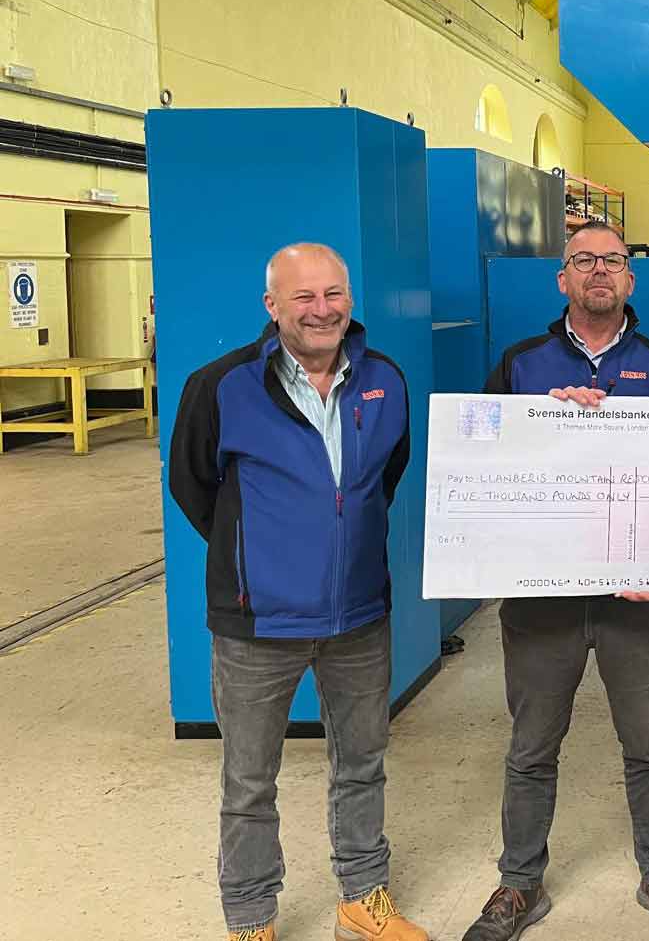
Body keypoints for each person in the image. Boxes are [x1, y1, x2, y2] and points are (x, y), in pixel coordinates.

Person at [461, 221, 649, 941]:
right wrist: (546, 425)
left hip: (636, 597)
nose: (599, 271)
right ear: (563, 279)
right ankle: (520, 885)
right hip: (542, 597)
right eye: (585, 261)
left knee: (648, 741)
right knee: (532, 744)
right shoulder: (520, 365)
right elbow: (480, 469)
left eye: (612, 261)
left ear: (631, 279)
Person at [169, 243, 425, 941]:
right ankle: (251, 918)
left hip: (360, 615)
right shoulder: (220, 386)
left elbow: (383, 479)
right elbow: (193, 487)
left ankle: (361, 899)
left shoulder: (386, 380)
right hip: (258, 624)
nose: (321, 310)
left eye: (333, 293)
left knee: (362, 765)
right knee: (249, 781)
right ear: (272, 306)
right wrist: (260, 558)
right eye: (304, 297)